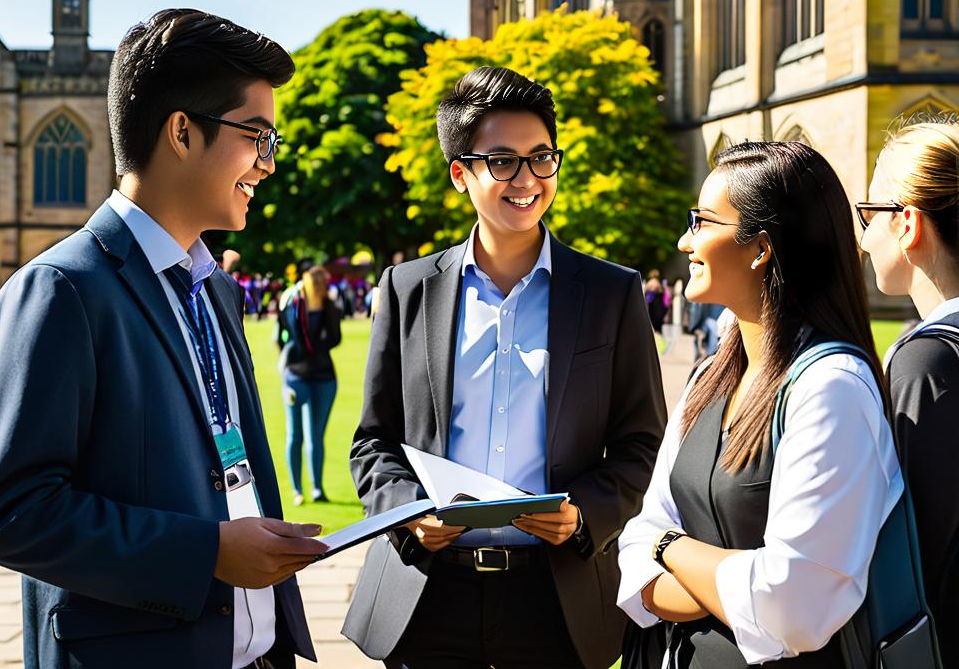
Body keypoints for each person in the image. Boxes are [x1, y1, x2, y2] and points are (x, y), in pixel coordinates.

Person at [0, 8, 327, 668]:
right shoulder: (60, 290)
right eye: (258, 137)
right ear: (183, 132)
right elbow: (13, 516)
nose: (268, 163)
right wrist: (207, 553)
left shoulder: (214, 287)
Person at [342, 66, 666, 669]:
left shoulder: (610, 293)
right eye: (503, 161)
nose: (527, 179)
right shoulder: (408, 289)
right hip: (429, 594)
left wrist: (582, 515)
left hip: (557, 598)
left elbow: (643, 444)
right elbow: (373, 443)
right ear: (461, 173)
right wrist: (408, 511)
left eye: (541, 157)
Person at [617, 141, 902, 667]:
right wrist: (727, 584)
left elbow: (793, 605)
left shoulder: (830, 387)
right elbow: (635, 542)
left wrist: (669, 550)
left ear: (760, 248)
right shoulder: (711, 375)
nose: (685, 241)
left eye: (702, 222)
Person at [858, 115, 959, 666]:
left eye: (870, 214)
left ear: (908, 225)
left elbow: (910, 549)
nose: (864, 237)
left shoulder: (928, 359)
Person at [275, 265, 342, 506]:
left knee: (316, 436)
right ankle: (297, 489)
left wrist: (328, 312)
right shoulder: (292, 305)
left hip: (324, 377)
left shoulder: (329, 308)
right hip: (296, 376)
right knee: (295, 434)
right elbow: (281, 337)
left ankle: (317, 488)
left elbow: (334, 338)